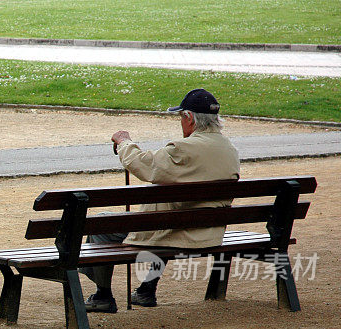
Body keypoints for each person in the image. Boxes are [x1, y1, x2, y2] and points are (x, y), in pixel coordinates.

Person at [83, 88, 240, 313]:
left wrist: (125, 142)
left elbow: (145, 166)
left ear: (189, 118)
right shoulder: (229, 149)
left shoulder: (183, 148)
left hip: (179, 232)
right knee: (168, 218)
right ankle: (147, 289)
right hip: (209, 231)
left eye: (180, 117)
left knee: (101, 225)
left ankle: (103, 296)